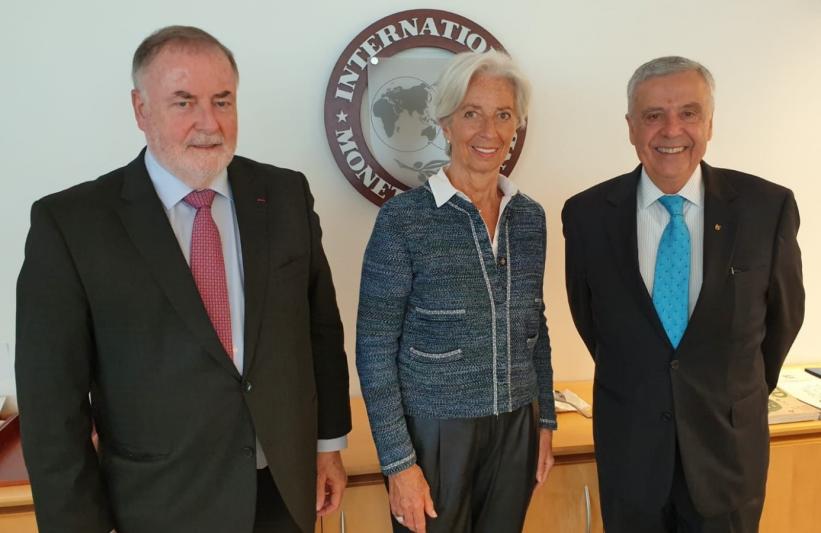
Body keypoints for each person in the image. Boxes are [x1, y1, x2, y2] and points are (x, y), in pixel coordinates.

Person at [15, 25, 351, 533]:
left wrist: (328, 444)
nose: (208, 122)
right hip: (158, 506)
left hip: (282, 491)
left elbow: (319, 329)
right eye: (183, 102)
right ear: (140, 109)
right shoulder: (71, 224)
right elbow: (50, 406)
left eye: (222, 101)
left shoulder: (284, 194)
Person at [562, 56, 804, 532]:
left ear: (709, 123)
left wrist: (727, 392)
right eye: (653, 115)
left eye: (689, 113)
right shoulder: (587, 215)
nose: (671, 129)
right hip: (631, 459)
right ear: (632, 127)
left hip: (727, 460)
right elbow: (592, 323)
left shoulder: (765, 207)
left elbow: (781, 323)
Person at [356, 50, 557, 533]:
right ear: (445, 123)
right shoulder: (404, 219)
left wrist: (545, 420)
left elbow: (536, 324)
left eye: (503, 115)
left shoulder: (529, 218)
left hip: (515, 429)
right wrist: (398, 464)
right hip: (435, 434)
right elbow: (374, 348)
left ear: (516, 126)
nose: (489, 131)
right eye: (472, 113)